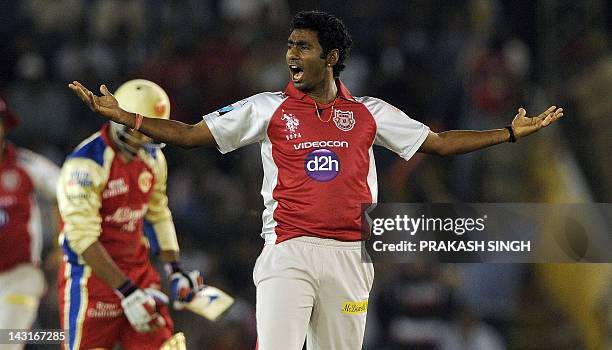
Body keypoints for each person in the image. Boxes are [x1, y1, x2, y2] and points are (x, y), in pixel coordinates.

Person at [68, 11, 564, 350]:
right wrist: (129, 119)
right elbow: (190, 134)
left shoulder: (369, 113)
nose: (290, 54)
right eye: (289, 46)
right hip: (289, 251)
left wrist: (507, 133)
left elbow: (436, 142)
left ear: (330, 57)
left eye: (302, 47)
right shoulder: (267, 108)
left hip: (350, 257)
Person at [57, 79, 203, 350]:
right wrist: (126, 291)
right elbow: (82, 239)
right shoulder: (85, 166)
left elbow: (158, 212)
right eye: (137, 131)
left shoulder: (153, 159)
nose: (144, 139)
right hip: (92, 282)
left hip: (139, 273)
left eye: (148, 130)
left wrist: (174, 269)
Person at [0, 96, 60, 350]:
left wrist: (62, 245)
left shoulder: (26, 165)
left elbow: (70, 194)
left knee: (5, 341)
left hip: (20, 274)